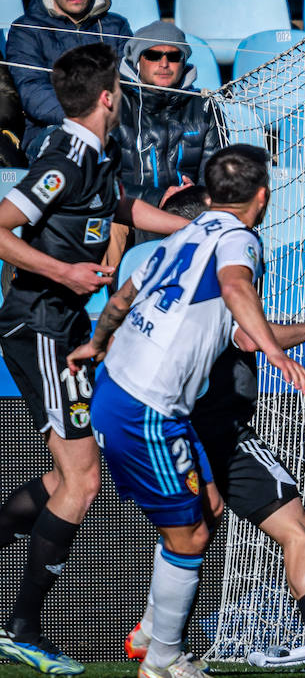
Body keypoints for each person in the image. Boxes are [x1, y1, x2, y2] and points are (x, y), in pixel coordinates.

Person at [66, 146, 305, 678]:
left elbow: (125, 294)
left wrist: (98, 342)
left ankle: (153, 633)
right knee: (191, 536)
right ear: (262, 196)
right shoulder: (241, 238)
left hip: (130, 392)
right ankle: (162, 660)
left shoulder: (180, 235)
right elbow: (236, 285)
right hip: (146, 406)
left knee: (210, 510)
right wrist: (274, 350)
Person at [118, 186, 305, 676]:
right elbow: (245, 334)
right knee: (292, 529)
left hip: (157, 419)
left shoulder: (153, 266)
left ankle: (151, 634)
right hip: (214, 427)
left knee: (197, 526)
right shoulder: (223, 265)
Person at [0, 44, 188, 675]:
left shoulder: (97, 157)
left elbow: (123, 209)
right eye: (122, 85)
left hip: (65, 329)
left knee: (64, 480)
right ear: (109, 95)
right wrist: (64, 271)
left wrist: (195, 230)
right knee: (81, 481)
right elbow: (0, 225)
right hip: (43, 329)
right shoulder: (63, 155)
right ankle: (23, 628)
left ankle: (20, 620)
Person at [6, 0, 131, 154]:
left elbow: (127, 84)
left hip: (111, 128)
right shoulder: (25, 29)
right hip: (50, 130)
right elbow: (32, 92)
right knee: (74, 143)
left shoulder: (115, 26)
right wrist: (87, 118)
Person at [111, 22, 223, 207]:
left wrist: (194, 197)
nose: (164, 64)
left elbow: (214, 178)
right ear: (137, 61)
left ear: (183, 61)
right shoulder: (112, 103)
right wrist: (156, 198)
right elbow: (102, 183)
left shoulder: (204, 107)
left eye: (173, 56)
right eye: (153, 55)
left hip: (186, 213)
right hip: (127, 214)